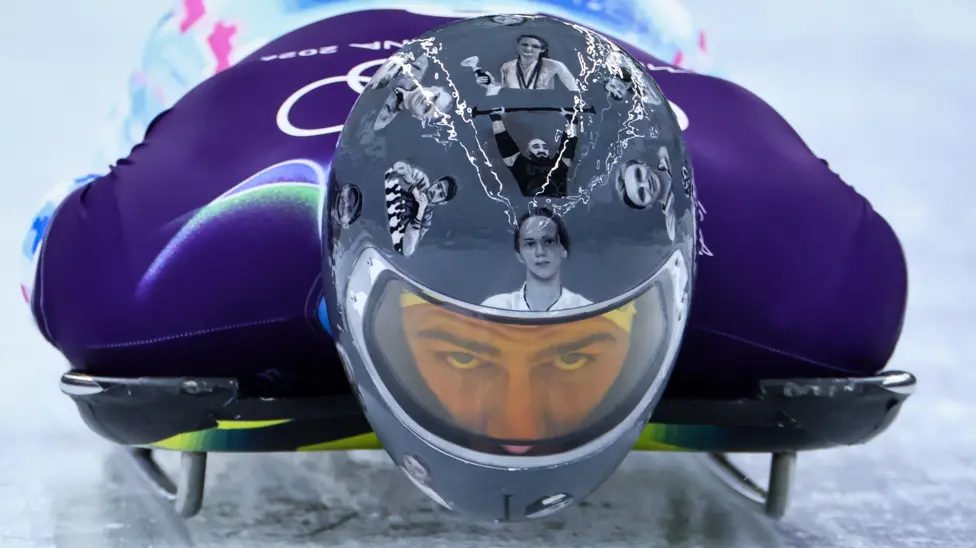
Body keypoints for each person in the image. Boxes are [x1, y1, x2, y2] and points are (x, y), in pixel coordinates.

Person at [22, 0, 906, 497]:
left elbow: (46, 236)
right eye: (459, 350)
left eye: (577, 352)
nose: (516, 429)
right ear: (347, 286)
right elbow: (54, 239)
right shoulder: (192, 247)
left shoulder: (136, 284)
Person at [481, 207, 591, 311]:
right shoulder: (495, 309)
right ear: (519, 255)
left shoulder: (586, 311)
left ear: (563, 250)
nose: (540, 252)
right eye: (530, 244)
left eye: (548, 242)